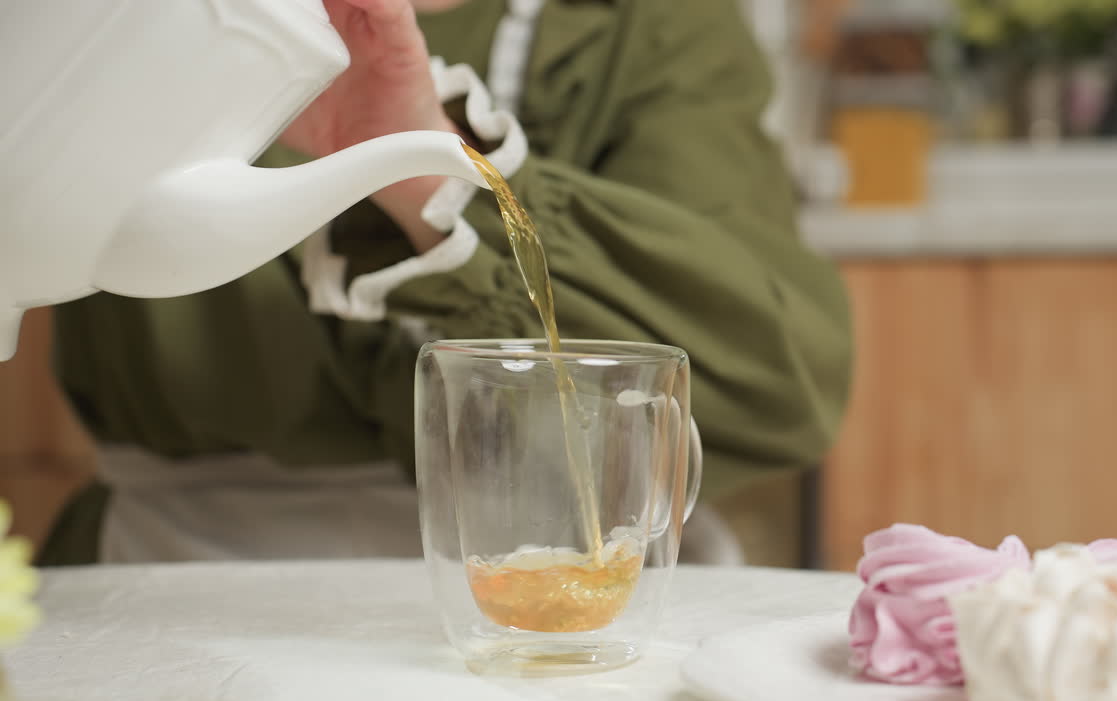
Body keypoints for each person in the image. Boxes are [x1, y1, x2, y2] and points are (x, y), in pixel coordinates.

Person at [39, 0, 852, 565]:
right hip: (177, 585)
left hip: (576, 612)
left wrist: (426, 164)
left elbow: (770, 382)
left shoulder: (644, 29)